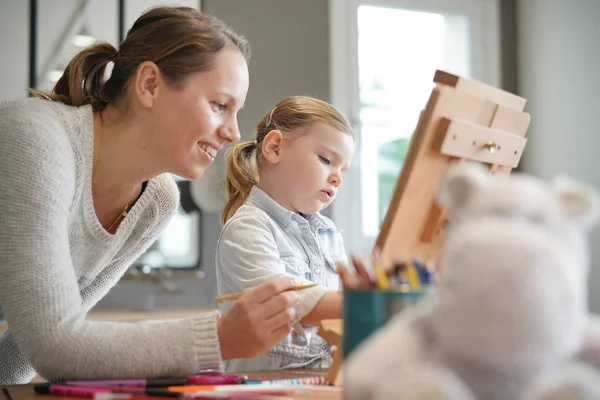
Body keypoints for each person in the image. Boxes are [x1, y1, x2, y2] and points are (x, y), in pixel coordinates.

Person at [0, 6, 300, 385]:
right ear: (149, 85)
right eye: (219, 105)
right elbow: (57, 347)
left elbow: (21, 356)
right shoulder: (36, 141)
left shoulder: (155, 201)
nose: (233, 134)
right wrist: (219, 339)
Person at [216, 96, 356, 371]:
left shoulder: (330, 235)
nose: (337, 178)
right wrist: (368, 303)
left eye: (343, 171)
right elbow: (288, 303)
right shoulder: (248, 229)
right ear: (275, 147)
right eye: (327, 159)